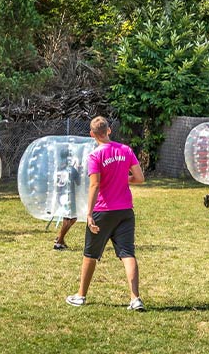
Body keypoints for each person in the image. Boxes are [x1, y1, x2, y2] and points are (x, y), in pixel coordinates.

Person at [65, 116, 146, 311]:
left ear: (92, 134)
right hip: (125, 210)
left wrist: (89, 213)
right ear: (109, 130)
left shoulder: (95, 155)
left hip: (103, 210)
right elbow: (140, 178)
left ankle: (81, 296)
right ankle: (135, 299)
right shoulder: (125, 150)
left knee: (90, 254)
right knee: (127, 253)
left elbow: (95, 184)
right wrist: (121, 179)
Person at [52, 147, 81, 250]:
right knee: (70, 218)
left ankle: (60, 238)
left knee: (69, 218)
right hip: (68, 196)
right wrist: (79, 170)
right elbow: (78, 182)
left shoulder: (58, 168)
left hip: (60, 196)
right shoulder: (71, 169)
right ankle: (59, 241)